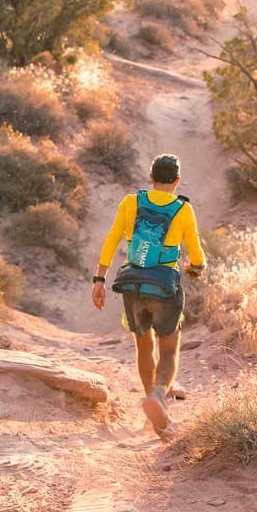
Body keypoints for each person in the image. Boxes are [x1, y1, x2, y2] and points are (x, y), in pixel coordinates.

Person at [91, 153, 205, 436]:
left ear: (151, 178)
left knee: (144, 347)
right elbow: (196, 255)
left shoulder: (132, 202)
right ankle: (157, 397)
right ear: (177, 181)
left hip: (133, 284)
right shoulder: (183, 209)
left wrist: (99, 279)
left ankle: (151, 408)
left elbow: (113, 237)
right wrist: (195, 269)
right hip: (165, 286)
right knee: (168, 350)